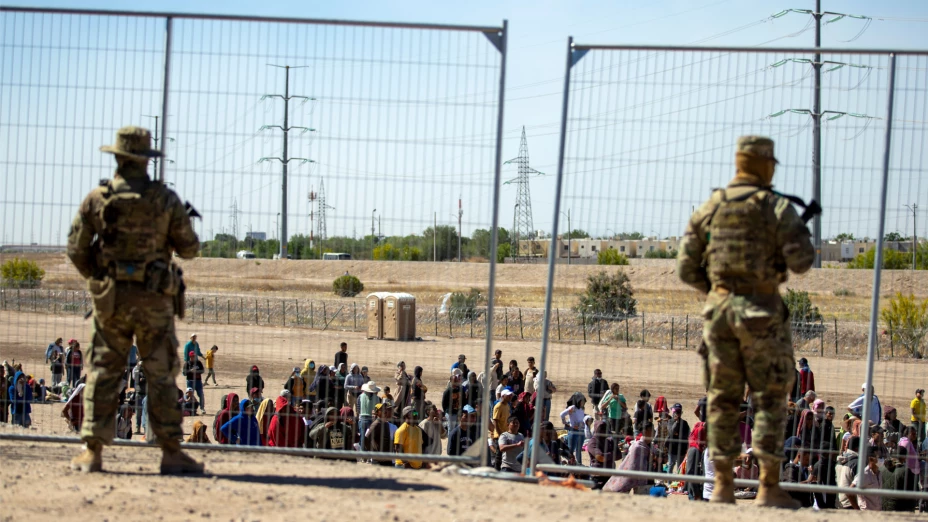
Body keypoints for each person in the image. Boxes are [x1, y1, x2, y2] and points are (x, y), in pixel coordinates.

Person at [676, 135, 814, 508]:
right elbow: (802, 260)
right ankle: (768, 487)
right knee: (769, 399)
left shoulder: (712, 206)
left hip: (719, 316)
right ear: (765, 165)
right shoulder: (774, 206)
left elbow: (686, 266)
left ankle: (721, 485)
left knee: (722, 399)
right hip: (761, 314)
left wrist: (717, 291)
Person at [66, 128, 202, 472]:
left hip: (111, 300)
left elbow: (76, 249)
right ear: (146, 160)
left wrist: (100, 278)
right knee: (160, 374)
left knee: (103, 371)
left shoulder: (98, 199)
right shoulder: (164, 199)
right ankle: (170, 451)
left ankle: (93, 451)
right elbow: (190, 248)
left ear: (117, 157)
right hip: (154, 300)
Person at [603, 422, 655, 493]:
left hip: (649, 478)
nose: (654, 432)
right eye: (651, 430)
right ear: (645, 431)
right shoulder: (637, 446)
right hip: (639, 479)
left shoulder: (650, 446)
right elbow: (632, 464)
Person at [881, 446, 919, 512]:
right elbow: (913, 492)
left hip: (883, 507)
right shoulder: (905, 471)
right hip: (900, 509)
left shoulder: (881, 469)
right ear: (904, 457)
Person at [492, 389, 514, 470]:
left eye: (510, 395)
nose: (510, 397)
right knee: (499, 456)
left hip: (506, 434)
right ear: (502, 396)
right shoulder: (498, 406)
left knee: (504, 456)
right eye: (508, 395)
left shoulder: (507, 405)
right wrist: (500, 434)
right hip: (499, 435)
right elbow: (496, 421)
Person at [442, 371, 464, 446]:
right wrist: (446, 412)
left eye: (456, 380)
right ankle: (450, 444)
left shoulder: (460, 390)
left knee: (458, 429)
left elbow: (463, 400)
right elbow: (444, 403)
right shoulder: (448, 391)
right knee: (451, 429)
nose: (456, 382)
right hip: (451, 413)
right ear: (451, 381)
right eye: (454, 380)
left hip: (459, 413)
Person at [667, 403, 690, 474]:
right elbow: (671, 432)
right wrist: (676, 423)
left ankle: (678, 483)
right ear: (673, 412)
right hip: (672, 448)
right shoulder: (670, 422)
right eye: (676, 412)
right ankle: (668, 482)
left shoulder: (685, 423)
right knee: (671, 465)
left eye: (679, 412)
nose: (677, 414)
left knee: (680, 467)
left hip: (681, 449)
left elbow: (686, 435)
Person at [358, 381, 381, 451]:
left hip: (362, 418)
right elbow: (378, 410)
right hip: (372, 419)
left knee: (362, 437)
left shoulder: (360, 396)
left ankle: (362, 454)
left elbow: (358, 408)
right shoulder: (377, 398)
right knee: (370, 438)